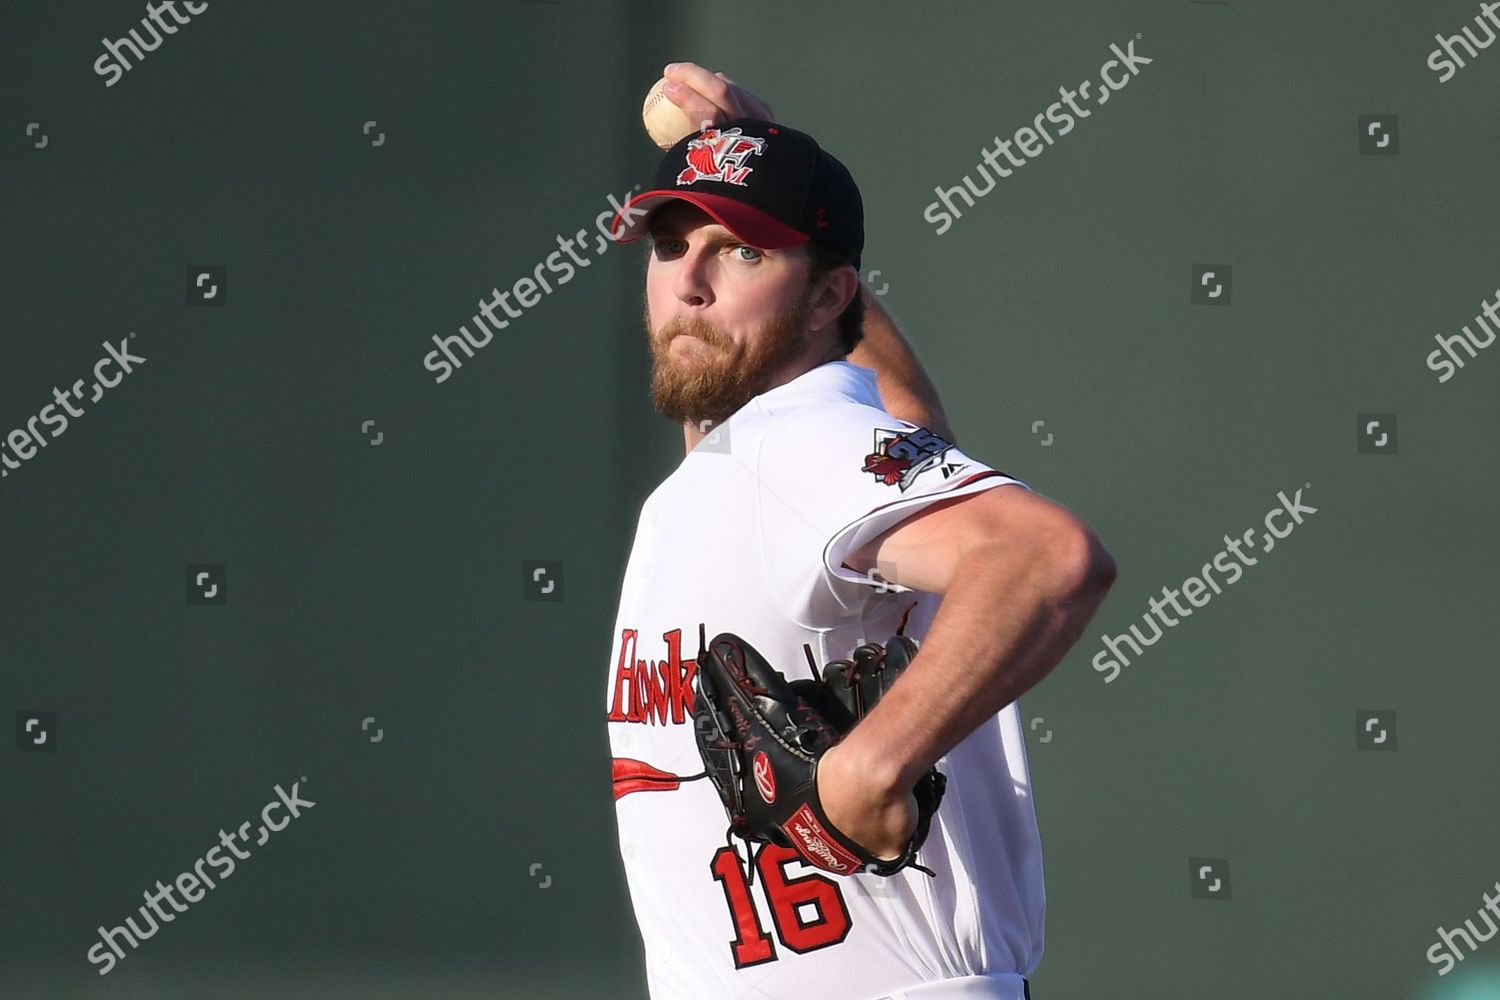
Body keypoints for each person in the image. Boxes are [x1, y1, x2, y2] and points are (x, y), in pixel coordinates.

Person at [603, 63, 1117, 1000]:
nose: (691, 284)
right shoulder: (749, 467)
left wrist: (870, 768)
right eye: (670, 246)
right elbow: (905, 430)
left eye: (742, 253)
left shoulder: (792, 442)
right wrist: (767, 164)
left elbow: (1045, 556)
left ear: (832, 297)